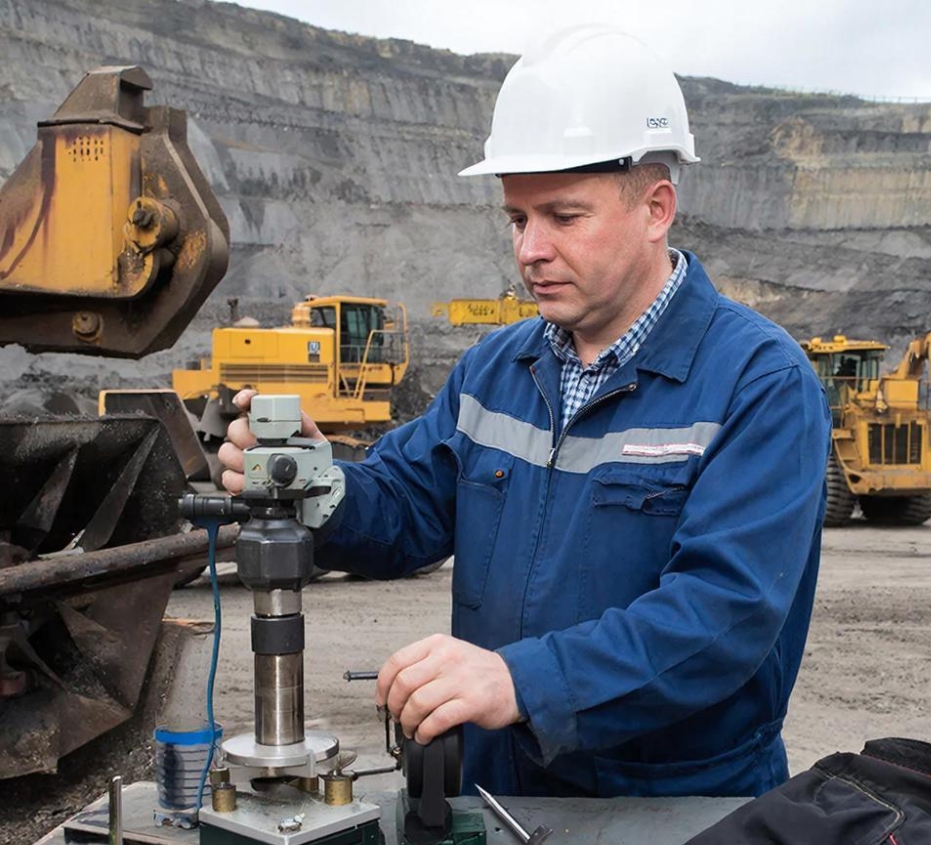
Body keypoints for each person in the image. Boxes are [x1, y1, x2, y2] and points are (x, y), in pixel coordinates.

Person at [220, 25, 831, 799]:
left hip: (674, 817)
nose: (529, 250)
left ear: (656, 208)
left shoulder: (757, 381)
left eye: (563, 217)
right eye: (517, 219)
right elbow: (410, 503)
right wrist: (322, 485)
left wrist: (521, 681)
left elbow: (723, 614)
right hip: (497, 794)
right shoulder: (498, 368)